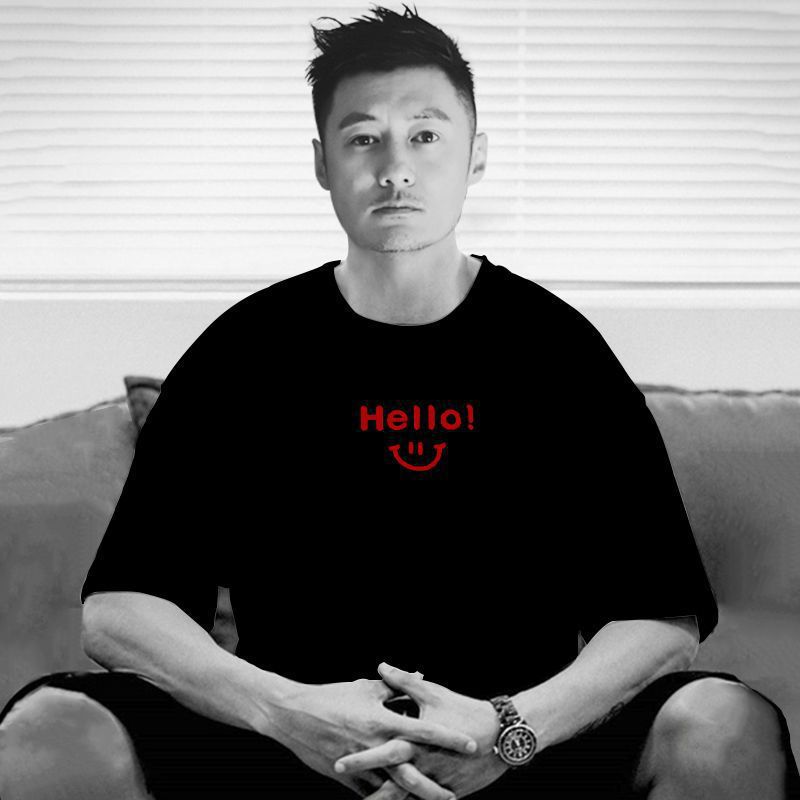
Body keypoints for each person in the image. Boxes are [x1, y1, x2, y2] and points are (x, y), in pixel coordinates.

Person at [1, 4, 798, 800]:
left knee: (722, 725)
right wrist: (286, 712)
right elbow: (120, 609)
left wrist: (508, 729)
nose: (396, 168)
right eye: (363, 139)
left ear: (475, 155)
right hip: (289, 748)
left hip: (521, 749)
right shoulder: (244, 350)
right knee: (51, 728)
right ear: (322, 162)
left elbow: (662, 617)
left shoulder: (559, 350)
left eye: (424, 136)